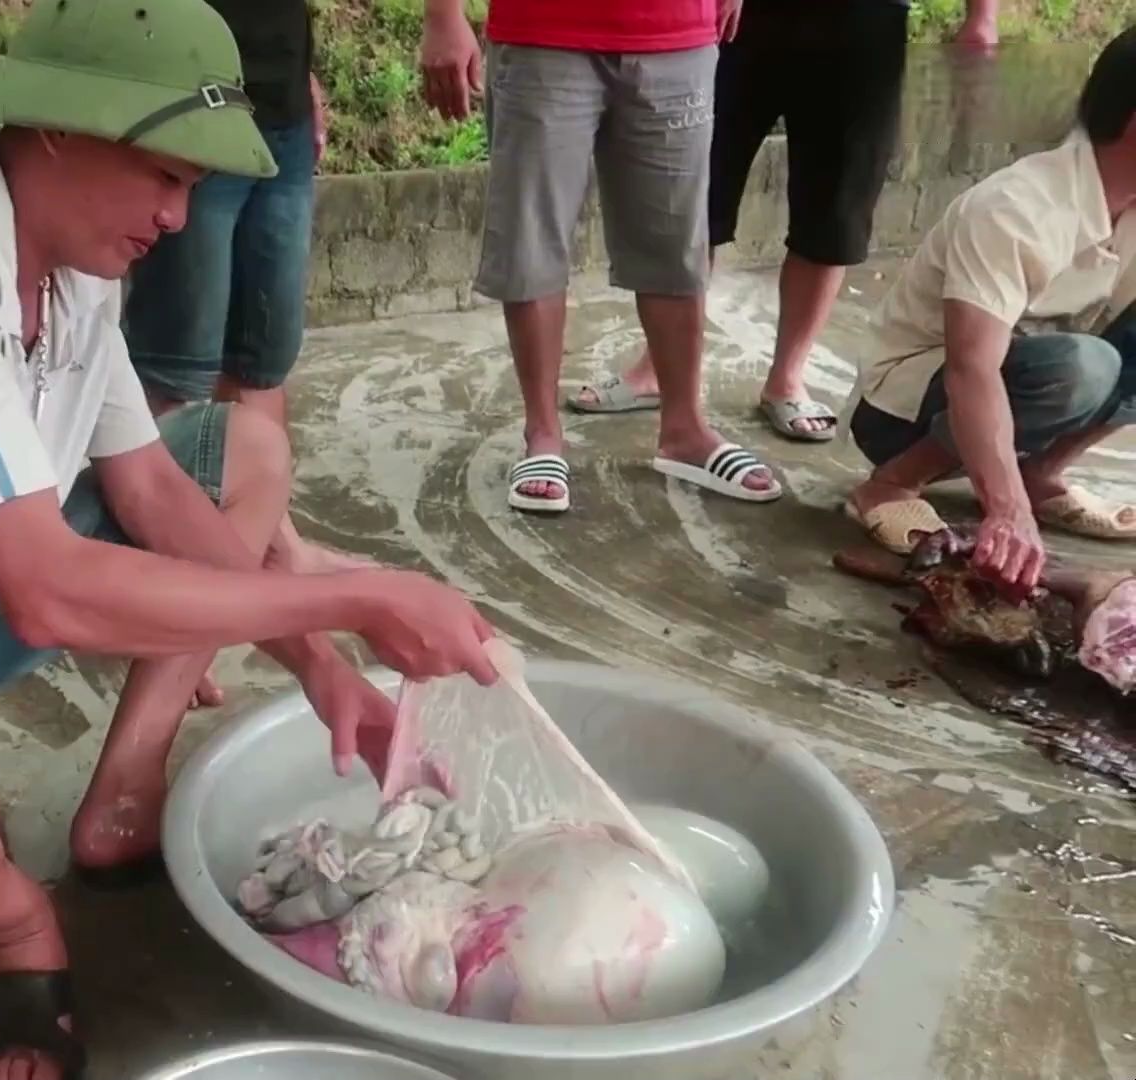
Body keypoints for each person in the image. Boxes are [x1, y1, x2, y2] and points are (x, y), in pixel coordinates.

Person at [0, 2, 500, 1077]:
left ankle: (125, 787)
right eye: (165, 177)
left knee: (239, 453)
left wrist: (321, 672)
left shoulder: (73, 274)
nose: (174, 218)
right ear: (58, 127)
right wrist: (352, 597)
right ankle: (18, 929)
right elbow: (49, 595)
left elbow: (151, 490)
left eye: (192, 191)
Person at [579, 0, 1002, 444]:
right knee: (695, 196)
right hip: (738, 18)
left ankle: (787, 378)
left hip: (864, 22)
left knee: (836, 210)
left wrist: (982, 15)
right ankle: (659, 369)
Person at [420, 0, 784, 515]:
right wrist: (442, 13)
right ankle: (542, 435)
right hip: (542, 30)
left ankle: (685, 430)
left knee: (676, 244)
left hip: (679, 34)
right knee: (532, 240)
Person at [123, 0, 367, 713]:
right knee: (177, 367)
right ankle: (167, 621)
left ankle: (274, 553)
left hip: (278, 102)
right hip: (183, 96)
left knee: (262, 356)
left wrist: (301, 73)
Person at [843, 25, 1136, 596]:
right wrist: (1006, 514)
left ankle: (1040, 474)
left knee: (1085, 362)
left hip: (1029, 400)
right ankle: (891, 485)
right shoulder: (1017, 207)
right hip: (905, 415)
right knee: (1081, 365)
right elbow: (970, 368)